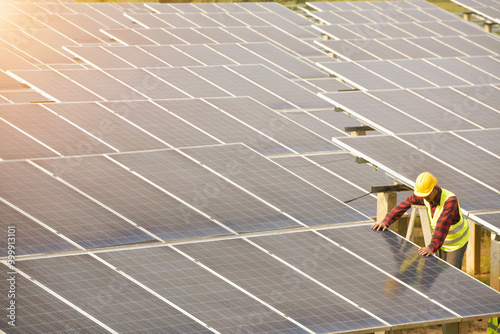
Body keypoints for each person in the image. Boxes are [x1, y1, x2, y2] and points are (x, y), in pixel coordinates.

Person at [371, 172, 470, 269]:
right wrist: (385, 221)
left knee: (451, 274)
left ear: (435, 188)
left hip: (456, 242)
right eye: (422, 195)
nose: (424, 198)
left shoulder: (450, 201)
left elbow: (442, 224)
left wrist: (431, 247)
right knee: (440, 271)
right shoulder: (424, 196)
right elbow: (403, 206)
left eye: (426, 195)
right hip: (440, 241)